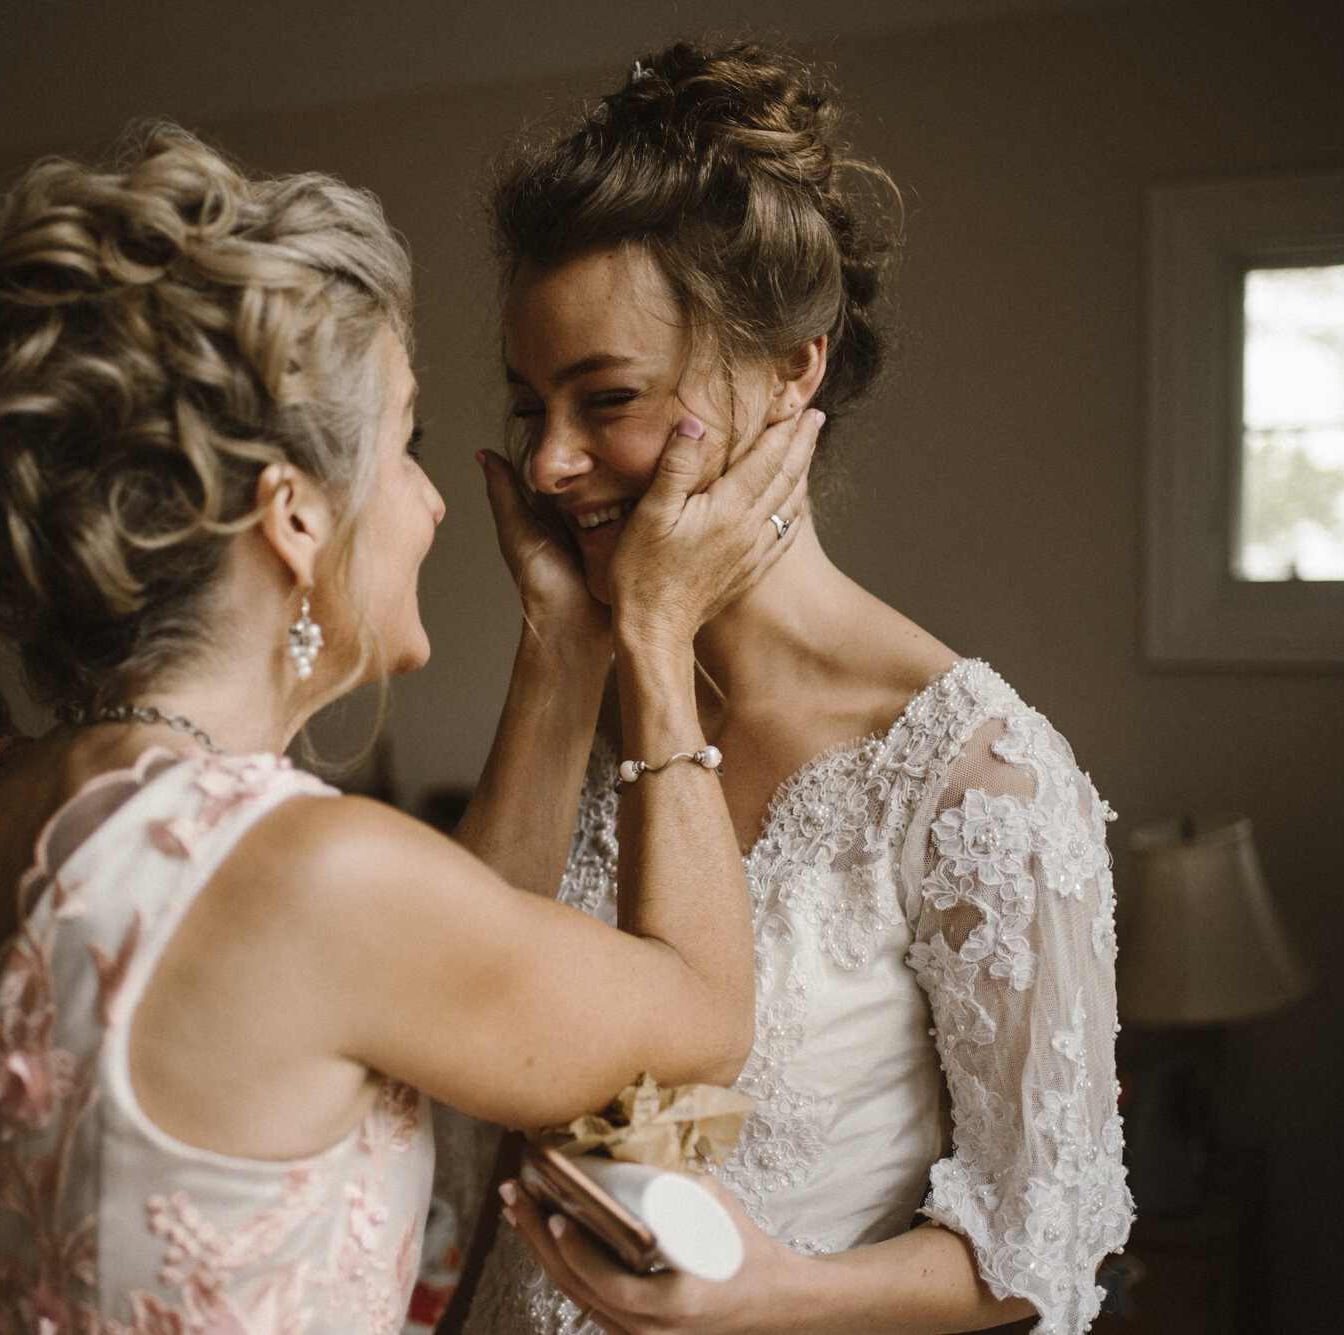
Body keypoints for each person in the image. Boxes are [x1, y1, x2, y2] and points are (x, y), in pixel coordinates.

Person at [0, 123, 826, 1335]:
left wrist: (563, 649)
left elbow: (420, 976)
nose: (436, 500)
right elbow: (699, 1026)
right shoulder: (307, 873)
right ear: (296, 519)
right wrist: (655, 633)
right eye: (405, 441)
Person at [452, 42, 1132, 1335]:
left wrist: (774, 1295)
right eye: (531, 402)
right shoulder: (586, 696)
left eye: (607, 398)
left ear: (792, 370)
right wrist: (562, 647)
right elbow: (453, 1047)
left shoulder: (977, 771)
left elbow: (1050, 1240)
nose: (547, 462)